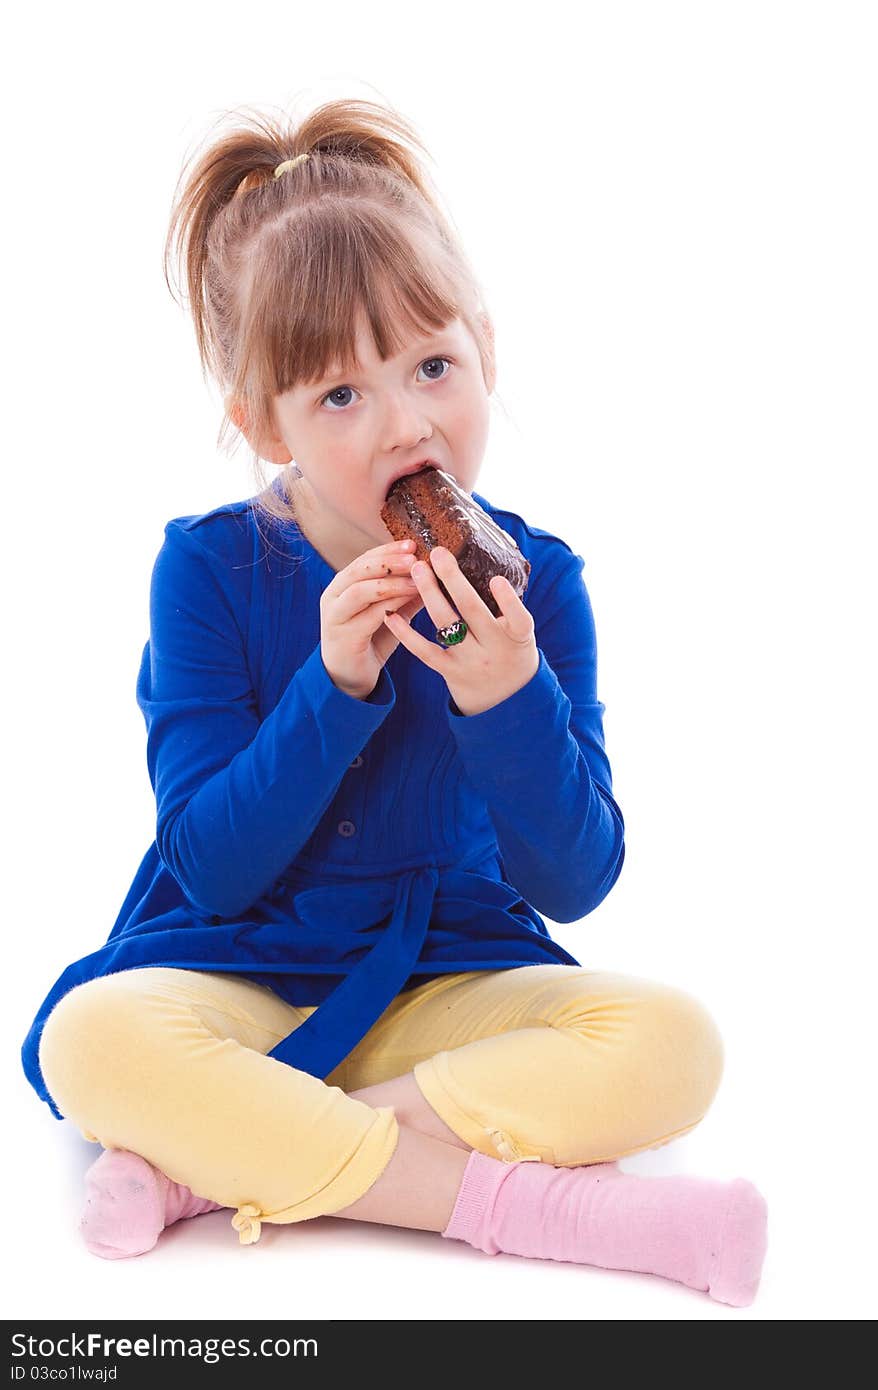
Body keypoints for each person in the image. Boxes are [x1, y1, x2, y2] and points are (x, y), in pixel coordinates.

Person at [21, 97, 767, 1306]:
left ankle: (206, 1168)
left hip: (446, 981)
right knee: (91, 1040)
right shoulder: (207, 570)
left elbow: (572, 879)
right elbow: (211, 869)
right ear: (260, 422)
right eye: (338, 397)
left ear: (485, 346)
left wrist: (509, 697)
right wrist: (335, 684)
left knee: (674, 1042)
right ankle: (525, 1208)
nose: (407, 423)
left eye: (432, 366)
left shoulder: (541, 584)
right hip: (239, 974)